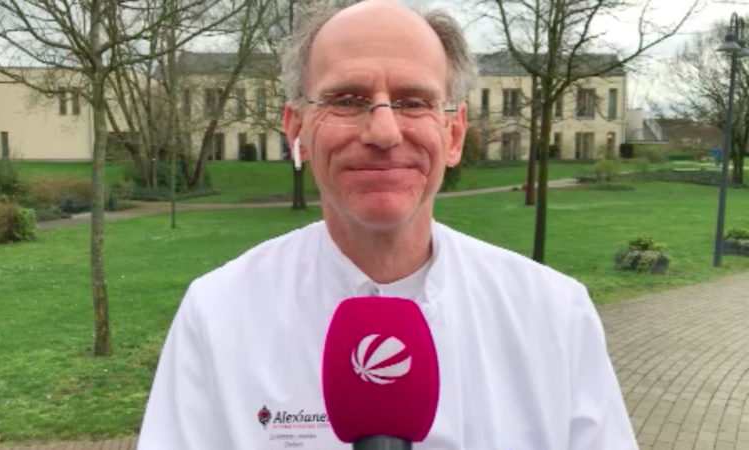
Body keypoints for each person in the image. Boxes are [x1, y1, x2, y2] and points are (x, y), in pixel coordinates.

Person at [137, 1, 638, 449]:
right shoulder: (218, 314)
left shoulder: (554, 315)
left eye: (414, 101)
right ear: (297, 130)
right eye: (348, 100)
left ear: (454, 133)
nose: (383, 130)